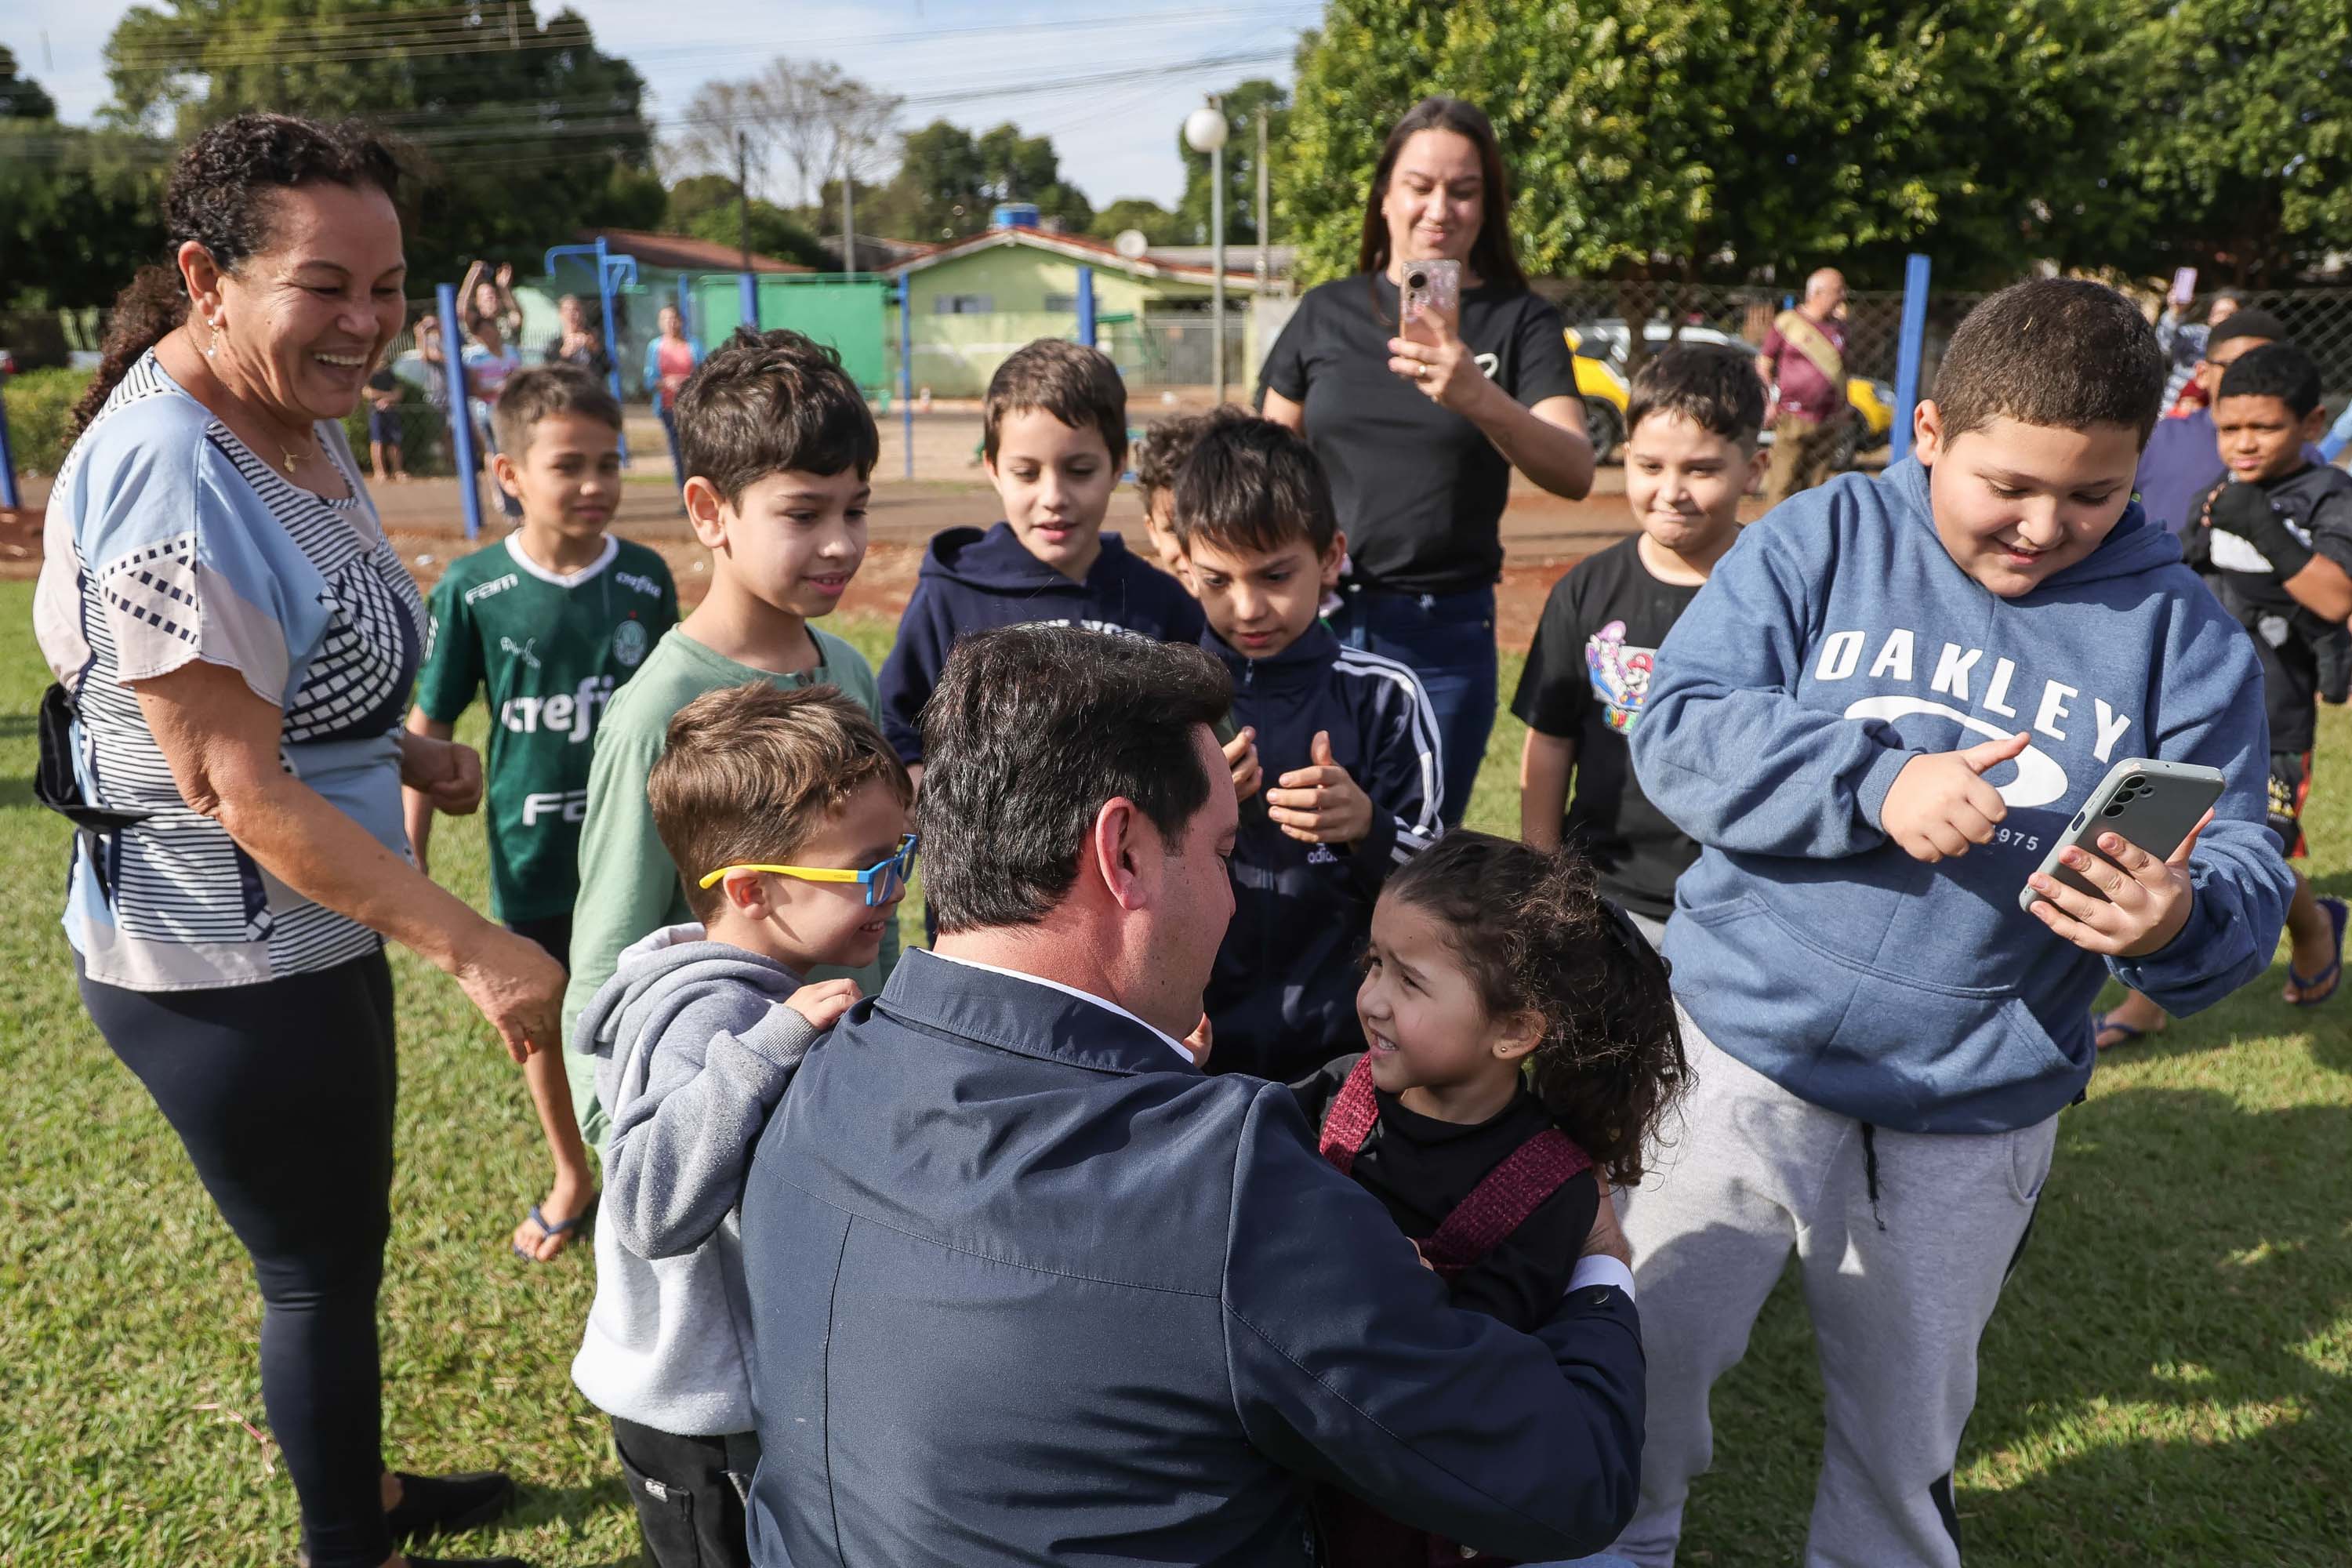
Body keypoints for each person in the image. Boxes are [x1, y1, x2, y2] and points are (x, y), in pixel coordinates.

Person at [1613, 278, 2294, 1568]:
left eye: (2094, 495)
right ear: (1928, 430)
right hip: (1736, 1053)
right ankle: (1609, 1548)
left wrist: (2178, 917)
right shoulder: (1822, 538)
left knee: (1904, 1435)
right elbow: (1682, 727)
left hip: (1977, 1104)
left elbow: (2247, 854)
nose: (2047, 526)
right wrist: (1873, 779)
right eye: (2009, 485)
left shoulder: (2185, 640)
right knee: (1645, 1364)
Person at [738, 624, 1645, 1567]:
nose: (1234, 896)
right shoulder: (1230, 1186)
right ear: (1124, 850)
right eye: (1222, 853)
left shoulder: (811, 1071)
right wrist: (1601, 1273)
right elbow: (1570, 1478)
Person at [33, 113, 563, 1568]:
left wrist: (402, 747)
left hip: (308, 919)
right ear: (207, 277)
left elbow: (275, 675)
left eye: (388, 286)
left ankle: (365, 1490)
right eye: (326, 285)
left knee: (341, 1254)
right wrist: (476, 946)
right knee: (319, 1273)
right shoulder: (173, 476)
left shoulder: (281, 411)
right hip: (227, 948)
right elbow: (227, 785)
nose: (369, 324)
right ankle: (353, 1541)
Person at [573, 682, 913, 1568]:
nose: (897, 888)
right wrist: (774, 1044)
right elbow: (649, 1204)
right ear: (755, 889)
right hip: (703, 1419)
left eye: (903, 854)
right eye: (872, 869)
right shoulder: (714, 1015)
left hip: (743, 1400)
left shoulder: (761, 984)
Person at [1293, 832, 1686, 1566]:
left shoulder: (1551, 1186)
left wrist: (1398, 1294)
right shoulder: (1337, 1091)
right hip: (1295, 1467)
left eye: (1409, 982)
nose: (1371, 998)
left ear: (1514, 1031)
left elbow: (1489, 1375)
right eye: (1373, 963)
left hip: (1409, 1503)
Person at [562, 328, 896, 1152]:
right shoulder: (658, 709)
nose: (841, 542)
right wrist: (618, 1133)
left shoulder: (849, 670)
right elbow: (609, 944)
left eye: (855, 508)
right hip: (725, 1108)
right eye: (803, 512)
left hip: (850, 1087)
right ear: (710, 511)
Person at [404, 365, 679, 1262]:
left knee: (650, 1008)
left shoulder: (643, 578)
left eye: (611, 462)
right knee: (544, 1022)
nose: (596, 484)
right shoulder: (475, 587)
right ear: (509, 473)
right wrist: (407, 856)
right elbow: (431, 726)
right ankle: (572, 1169)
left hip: (640, 849)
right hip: (532, 857)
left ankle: (660, 1159)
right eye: (570, 464)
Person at [1259, 96, 1594, 824]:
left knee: (1416, 852)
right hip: (1317, 625)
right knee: (1301, 835)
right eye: (1420, 185)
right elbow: (1263, 466)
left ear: (1487, 207)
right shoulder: (1326, 311)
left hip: (1443, 636)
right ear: (1386, 197)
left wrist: (1477, 395)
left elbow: (1574, 468)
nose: (1440, 208)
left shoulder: (1521, 320)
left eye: (1464, 189)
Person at [1174, 414, 1443, 1080]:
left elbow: (1443, 882)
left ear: (1330, 558)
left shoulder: (1386, 696)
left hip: (1347, 1045)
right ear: (1182, 566)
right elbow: (1113, 866)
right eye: (1217, 581)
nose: (1246, 608)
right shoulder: (1161, 699)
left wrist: (1367, 827)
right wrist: (1186, 804)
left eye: (1273, 576)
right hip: (1195, 1044)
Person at [1515, 344, 1767, 946]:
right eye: (1651, 467)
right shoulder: (1587, 590)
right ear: (1626, 459)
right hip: (1604, 894)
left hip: (1739, 900)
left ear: (1753, 469)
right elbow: (1549, 744)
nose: (1672, 491)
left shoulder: (1779, 590)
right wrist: (1545, 882)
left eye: (1701, 469)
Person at [875, 338, 1202, 779]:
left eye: (1080, 471)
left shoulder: (1163, 604)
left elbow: (1198, 739)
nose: (1054, 498)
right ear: (992, 469)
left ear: (1117, 463)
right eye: (1026, 473)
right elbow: (897, 724)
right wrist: (918, 787)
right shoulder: (949, 595)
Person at [2184, 344, 2352, 1004]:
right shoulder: (2216, 494)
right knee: (2183, 835)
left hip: (2277, 713)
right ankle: (2145, 998)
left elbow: (2337, 596)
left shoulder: (2328, 497)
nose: (2244, 444)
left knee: (2261, 844)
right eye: (2230, 428)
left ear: (2310, 425)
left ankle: (2313, 929)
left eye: (2264, 428)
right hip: (2200, 700)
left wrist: (2263, 528)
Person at [2132, 307, 2294, 534]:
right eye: (2236, 365)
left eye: (2266, 366)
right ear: (2202, 374)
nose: (2252, 377)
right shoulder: (2158, 439)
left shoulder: (2298, 453)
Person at [1755, 267, 1849, 506]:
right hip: (1793, 416)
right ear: (1817, 293)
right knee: (1783, 483)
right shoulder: (1788, 323)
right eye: (1838, 290)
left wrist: (1844, 406)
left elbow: (1844, 370)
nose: (1843, 296)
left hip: (1829, 419)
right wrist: (1770, 402)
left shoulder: (1840, 329)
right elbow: (1764, 364)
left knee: (1817, 489)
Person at [459, 260, 524, 521]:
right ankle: (506, 501)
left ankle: (517, 499)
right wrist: (473, 277)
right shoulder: (474, 345)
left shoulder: (507, 339)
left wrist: (504, 289)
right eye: (484, 296)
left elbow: (518, 317)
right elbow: (462, 310)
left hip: (512, 407)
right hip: (488, 409)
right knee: (496, 451)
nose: (490, 299)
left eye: (492, 295)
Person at [644, 303, 704, 495]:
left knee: (697, 450)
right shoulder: (655, 347)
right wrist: (665, 383)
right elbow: (649, 380)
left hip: (693, 407)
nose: (671, 323)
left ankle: (703, 488)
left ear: (681, 321)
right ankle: (685, 493)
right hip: (668, 407)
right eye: (665, 319)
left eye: (674, 318)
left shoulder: (694, 345)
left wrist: (685, 381)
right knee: (679, 451)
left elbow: (706, 372)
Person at [2157, 289, 2240, 415]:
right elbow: (2166, 343)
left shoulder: (2241, 349)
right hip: (2171, 411)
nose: (2223, 319)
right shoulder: (2195, 334)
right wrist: (2176, 312)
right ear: (2210, 316)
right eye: (2219, 313)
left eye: (2230, 315)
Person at [544, 292, 613, 382]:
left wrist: (595, 349)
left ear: (582, 314)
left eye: (576, 310)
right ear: (560, 314)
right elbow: (550, 372)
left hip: (591, 390)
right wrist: (565, 353)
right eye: (567, 310)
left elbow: (608, 367)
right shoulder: (555, 344)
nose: (572, 314)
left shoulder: (592, 339)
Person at [364, 365, 406, 481]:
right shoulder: (369, 373)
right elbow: (368, 392)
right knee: (377, 442)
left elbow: (399, 393)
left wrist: (386, 400)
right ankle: (379, 472)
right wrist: (387, 396)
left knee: (395, 442)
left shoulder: (390, 373)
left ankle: (398, 471)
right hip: (375, 413)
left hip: (391, 412)